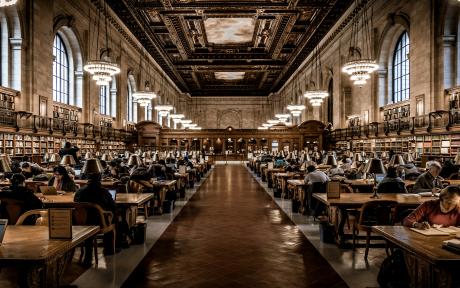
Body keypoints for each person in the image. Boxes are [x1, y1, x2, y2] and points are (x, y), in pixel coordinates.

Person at [74, 172, 116, 265]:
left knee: (90, 221)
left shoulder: (79, 191)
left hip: (81, 222)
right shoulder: (103, 191)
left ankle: (87, 257)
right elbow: (112, 207)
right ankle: (109, 249)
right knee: (112, 218)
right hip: (99, 223)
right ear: (99, 180)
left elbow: (76, 204)